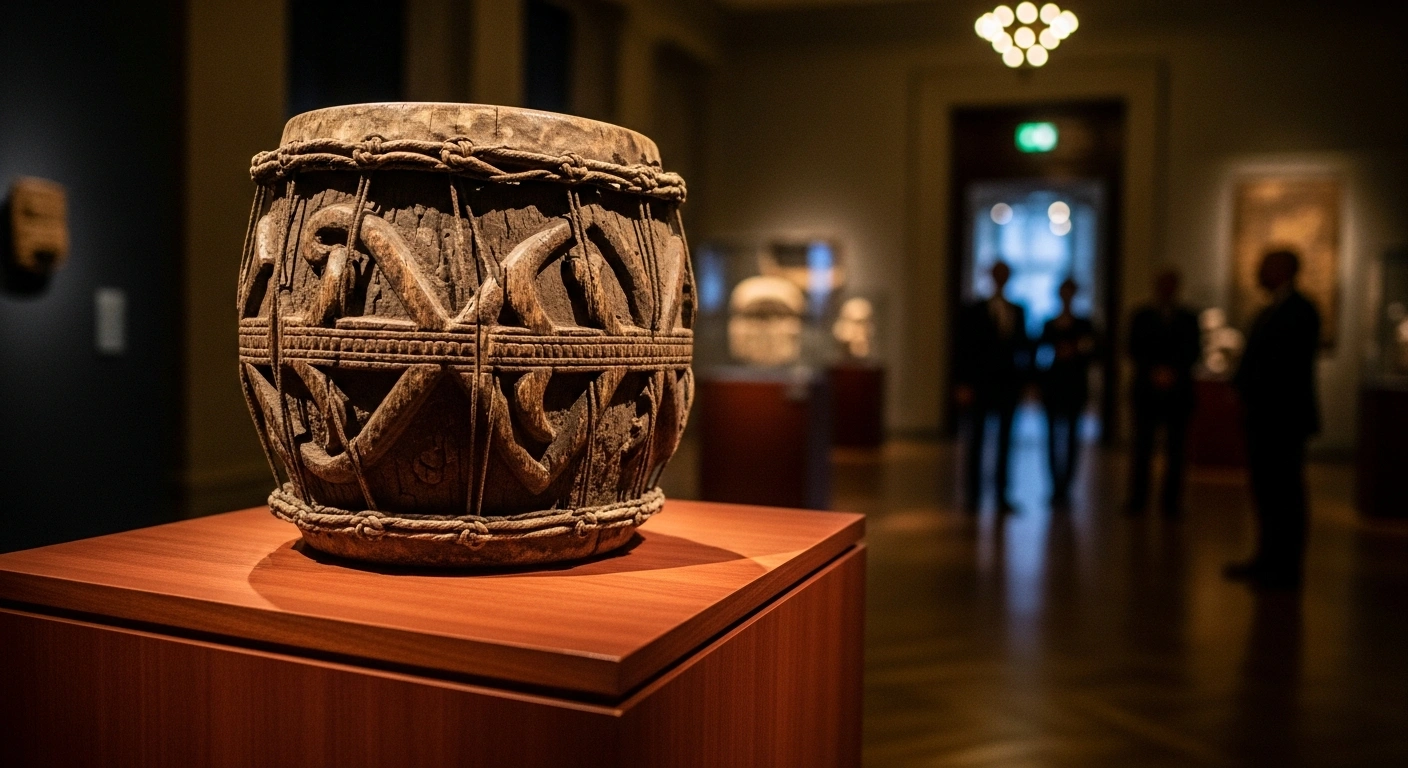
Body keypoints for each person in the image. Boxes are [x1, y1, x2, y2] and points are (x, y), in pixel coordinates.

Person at [1225, 250, 1320, 589]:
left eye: (1265, 266)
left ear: (1282, 270)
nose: (1258, 272)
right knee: (1267, 493)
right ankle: (1268, 559)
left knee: (1285, 494)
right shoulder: (1273, 310)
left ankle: (1286, 568)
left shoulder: (1301, 310)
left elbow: (1284, 367)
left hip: (1283, 419)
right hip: (1266, 418)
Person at [955, 261, 1029, 514]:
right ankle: (973, 496)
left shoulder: (1018, 310)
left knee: (1006, 443)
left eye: (1004, 274)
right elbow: (963, 349)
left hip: (1007, 386)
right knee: (975, 441)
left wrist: (1026, 383)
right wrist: (963, 383)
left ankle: (1001, 495)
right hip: (980, 385)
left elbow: (1022, 349)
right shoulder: (974, 310)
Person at [1125, 270, 1200, 516]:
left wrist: (1172, 372)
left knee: (1176, 451)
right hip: (1147, 391)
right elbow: (1133, 348)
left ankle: (1171, 503)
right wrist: (1154, 372)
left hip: (1177, 393)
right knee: (1142, 448)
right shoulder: (1142, 316)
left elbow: (1193, 352)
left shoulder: (1189, 318)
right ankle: (1138, 500)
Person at [1039, 278, 1098, 508]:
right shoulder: (1049, 323)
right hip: (1054, 386)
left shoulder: (1085, 324)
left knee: (1072, 438)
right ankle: (1056, 486)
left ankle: (1066, 487)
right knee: (1053, 438)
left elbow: (1094, 353)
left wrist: (1075, 352)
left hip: (1074, 387)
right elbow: (1040, 352)